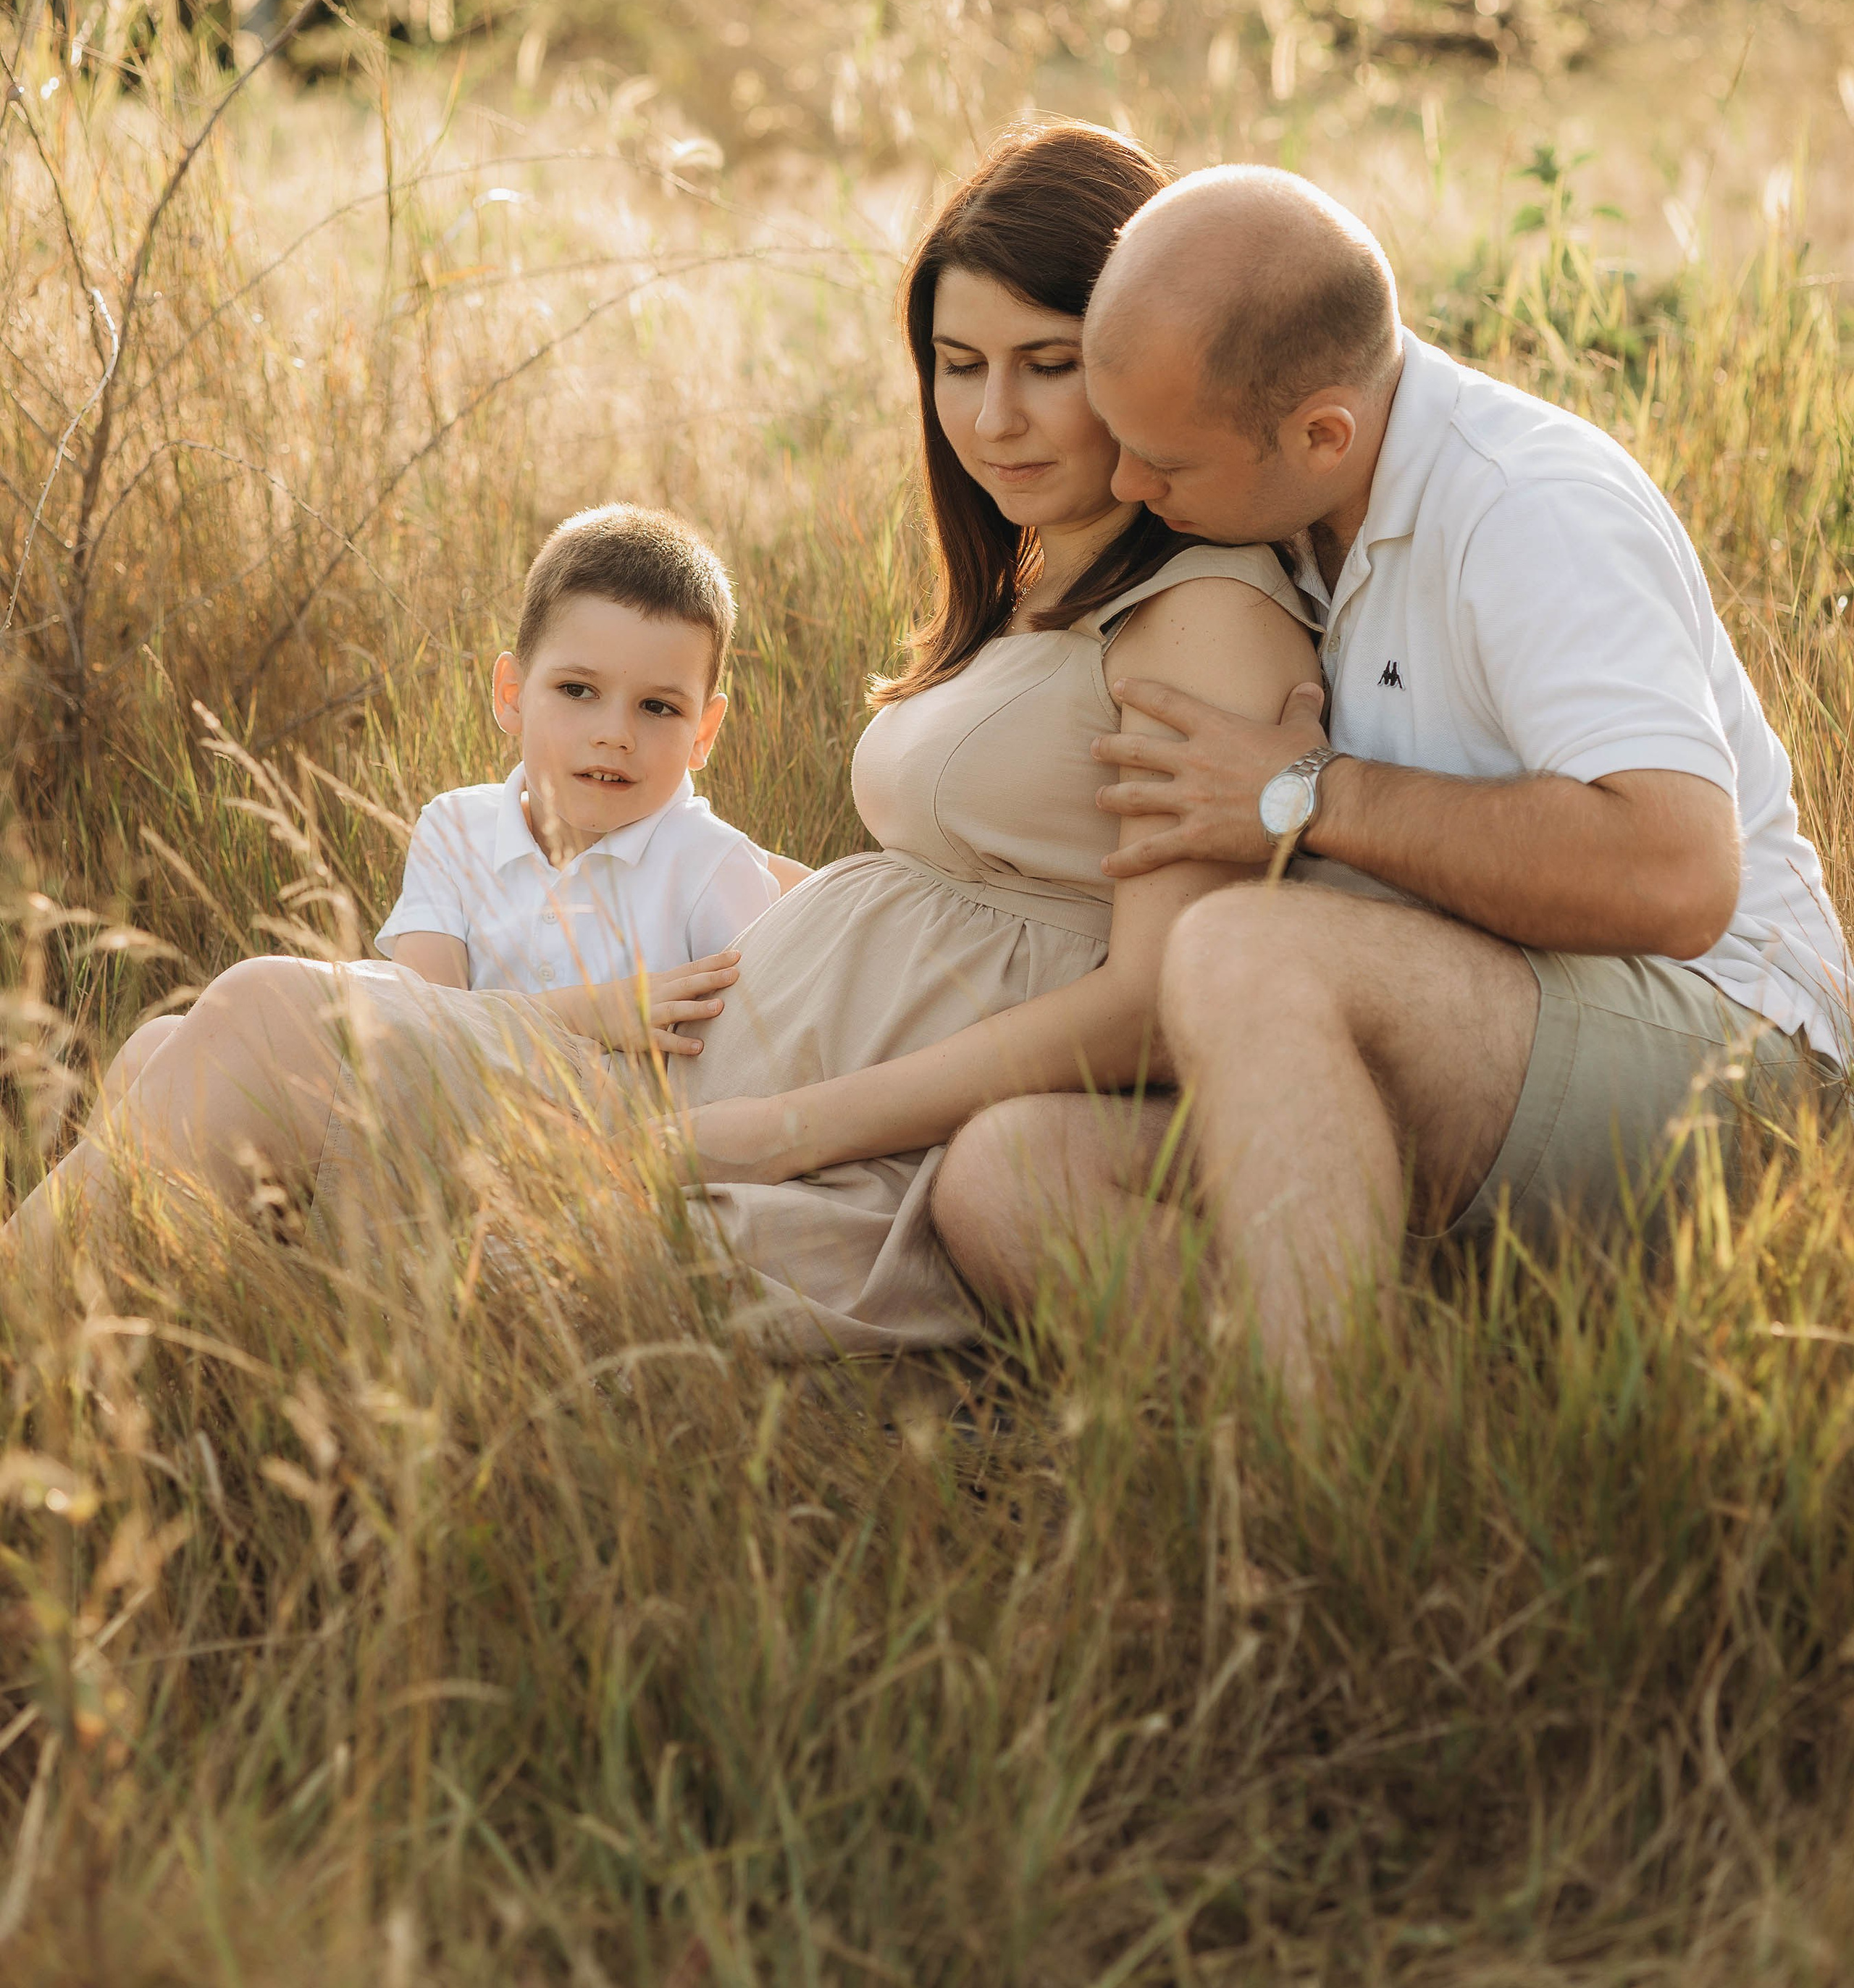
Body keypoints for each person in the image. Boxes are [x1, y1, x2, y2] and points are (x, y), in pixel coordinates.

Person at [1, 125, 1319, 1356]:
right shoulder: (1040, 578)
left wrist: (776, 1129)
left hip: (822, 1129)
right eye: (960, 365)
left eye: (1049, 364)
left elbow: (1153, 1007)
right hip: (734, 1060)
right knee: (167, 1060)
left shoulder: (1202, 612)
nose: (992, 418)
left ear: (1146, 354)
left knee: (264, 1022)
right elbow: (971, 893)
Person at [931, 165, 1850, 1390]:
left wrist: (1313, 794)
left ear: (1324, 433)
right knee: (1007, 1177)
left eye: (1167, 463)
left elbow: (1678, 876)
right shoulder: (1285, 512)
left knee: (1245, 949)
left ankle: (1312, 1468)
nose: (1132, 486)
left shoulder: (1528, 509)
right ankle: (1428, 1419)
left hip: (1736, 1072)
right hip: (1463, 1049)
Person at [377, 501, 800, 1055]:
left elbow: (759, 1060)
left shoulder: (714, 868)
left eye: (657, 707)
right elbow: (421, 1036)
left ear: (703, 732)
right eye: (577, 691)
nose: (614, 735)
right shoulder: (454, 830)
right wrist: (587, 1015)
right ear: (512, 695)